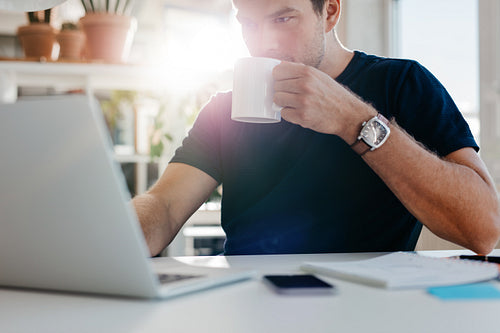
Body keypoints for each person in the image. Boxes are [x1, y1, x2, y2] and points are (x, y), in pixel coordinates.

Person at [133, 0, 500, 256]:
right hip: (249, 300)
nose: (263, 42)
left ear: (330, 12)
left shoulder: (402, 83)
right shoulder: (223, 111)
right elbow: (164, 207)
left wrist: (352, 120)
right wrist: (115, 230)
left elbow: (484, 229)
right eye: (248, 23)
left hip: (367, 304)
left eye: (283, 18)